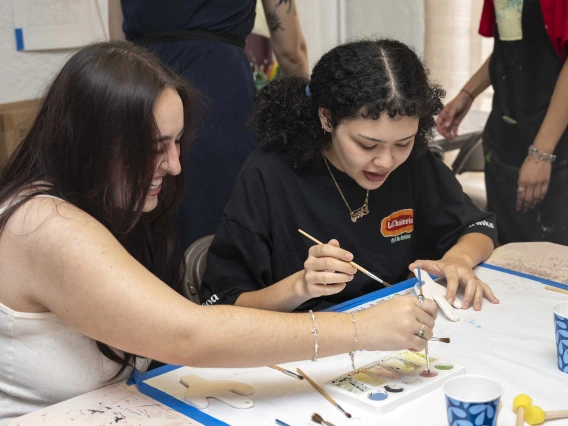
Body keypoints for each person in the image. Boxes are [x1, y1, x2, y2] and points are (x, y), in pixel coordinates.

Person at [0, 42, 437, 425]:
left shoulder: (111, 205)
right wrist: (360, 328)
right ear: (92, 145)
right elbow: (189, 334)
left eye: (176, 142)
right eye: (155, 149)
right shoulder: (44, 225)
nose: (173, 166)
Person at [199, 39, 501, 313]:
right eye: (367, 144)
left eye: (403, 143)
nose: (385, 161)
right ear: (327, 118)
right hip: (302, 342)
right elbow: (223, 303)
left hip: (396, 331)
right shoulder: (270, 174)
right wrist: (300, 287)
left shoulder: (414, 163)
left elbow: (478, 226)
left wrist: (458, 260)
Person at [109, 0, 309, 251]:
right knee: (221, 215)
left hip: (146, 93)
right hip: (221, 94)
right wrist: (305, 118)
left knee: (148, 216)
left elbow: (117, 45)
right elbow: (292, 52)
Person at [436, 0, 568, 245]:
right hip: (504, 138)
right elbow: (511, 46)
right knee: (506, 247)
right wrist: (467, 94)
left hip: (556, 144)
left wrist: (542, 153)